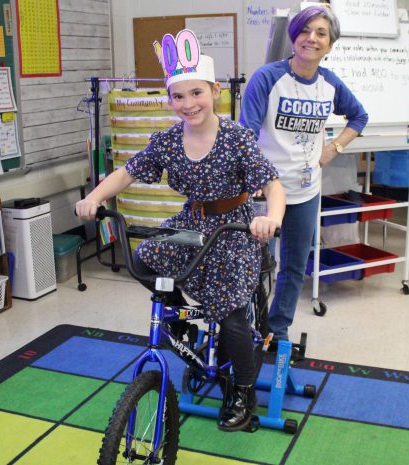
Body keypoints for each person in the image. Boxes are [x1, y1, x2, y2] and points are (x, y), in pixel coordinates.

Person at [76, 30, 285, 432]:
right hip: (191, 222)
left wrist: (269, 217)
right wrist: (95, 197)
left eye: (196, 93)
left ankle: (242, 391)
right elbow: (127, 172)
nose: (188, 104)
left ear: (216, 91)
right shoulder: (169, 140)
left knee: (230, 314)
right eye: (178, 96)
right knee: (145, 258)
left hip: (233, 227)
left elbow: (274, 186)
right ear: (169, 99)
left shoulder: (237, 139)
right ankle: (179, 322)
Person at [240, 4, 368, 345]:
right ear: (294, 35)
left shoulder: (330, 84)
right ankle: (243, 328)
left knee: (294, 268)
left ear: (330, 44)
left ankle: (277, 330)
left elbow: (359, 117)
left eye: (321, 33)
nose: (312, 38)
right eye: (306, 30)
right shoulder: (267, 78)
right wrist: (253, 180)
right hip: (264, 193)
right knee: (248, 267)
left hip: (306, 192)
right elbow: (246, 134)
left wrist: (333, 149)